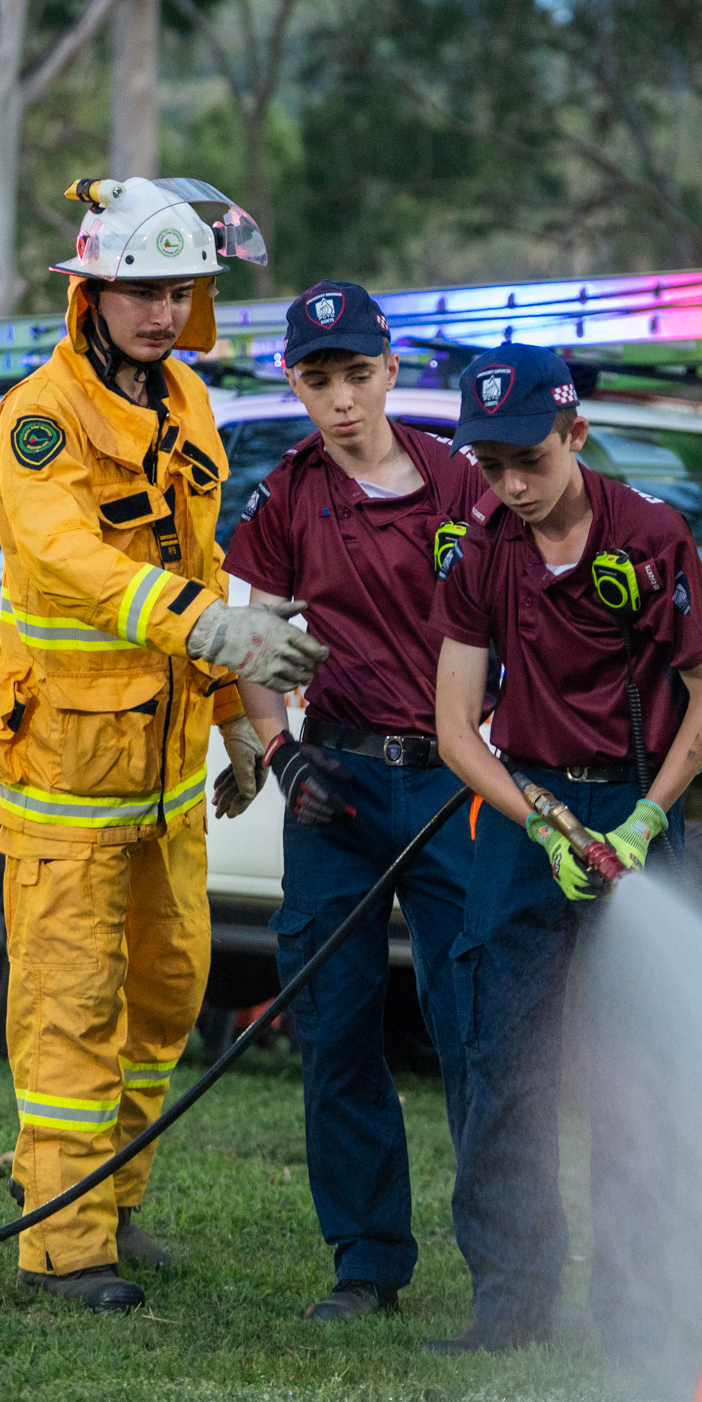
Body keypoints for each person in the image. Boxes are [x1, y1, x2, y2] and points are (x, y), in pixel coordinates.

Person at [0, 176, 327, 1314]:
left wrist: (231, 719)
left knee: (168, 993)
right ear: (90, 292)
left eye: (177, 290)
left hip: (167, 777)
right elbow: (72, 559)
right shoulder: (39, 416)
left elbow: (200, 562)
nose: (160, 311)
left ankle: (117, 1204)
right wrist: (209, 625)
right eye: (137, 289)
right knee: (70, 1004)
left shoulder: (185, 400)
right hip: (66, 778)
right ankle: (62, 1247)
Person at [426, 343, 702, 1355]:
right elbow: (455, 729)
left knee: (635, 1074)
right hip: (529, 821)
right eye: (489, 465)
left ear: (575, 435)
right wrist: (540, 821)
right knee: (500, 1062)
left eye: (528, 460)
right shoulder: (477, 549)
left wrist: (643, 820)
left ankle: (634, 1305)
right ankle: (509, 1304)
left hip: (635, 813)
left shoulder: (650, 537)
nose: (509, 485)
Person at [219, 281, 495, 1321]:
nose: (340, 400)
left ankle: (503, 1273)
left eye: (356, 374)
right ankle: (366, 1262)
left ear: (390, 368)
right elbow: (256, 641)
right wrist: (282, 757)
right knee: (335, 1026)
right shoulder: (285, 494)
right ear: (294, 382)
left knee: (472, 1022)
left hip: (448, 784)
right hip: (331, 790)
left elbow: (512, 614)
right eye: (316, 378)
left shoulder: (460, 478)